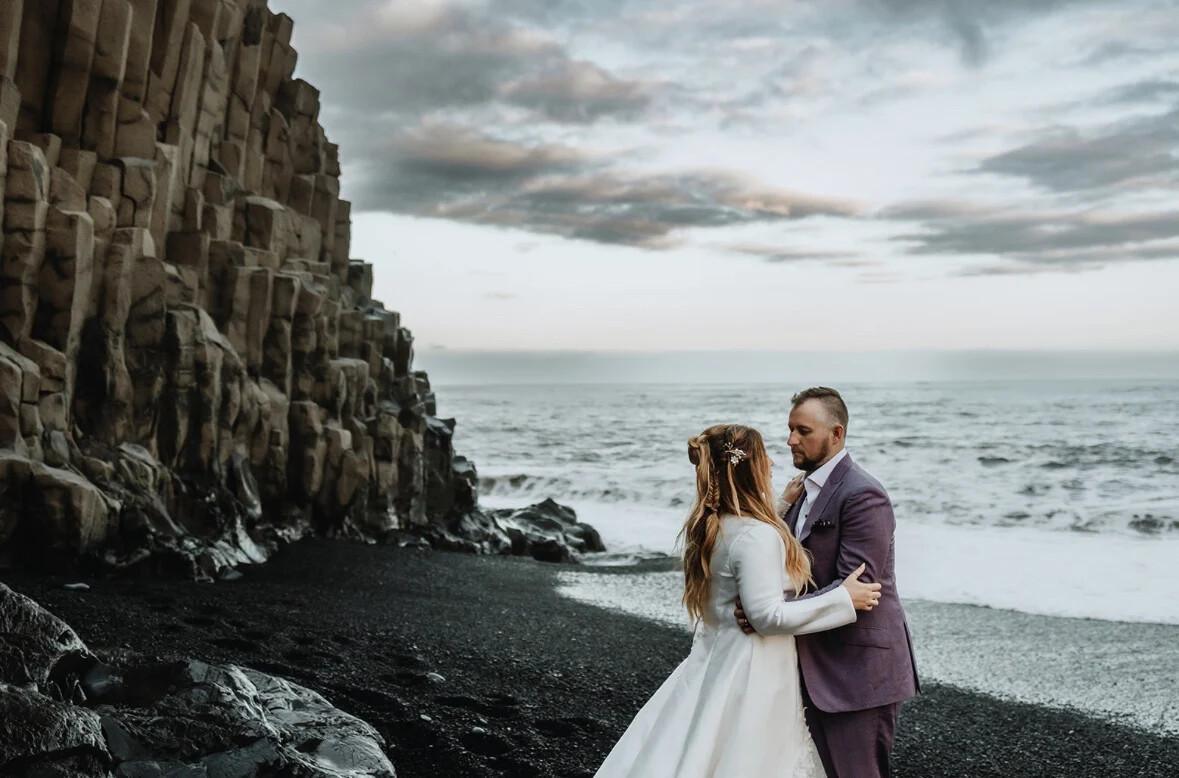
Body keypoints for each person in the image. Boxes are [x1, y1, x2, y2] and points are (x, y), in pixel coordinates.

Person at [595, 423, 882, 778]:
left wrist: (781, 505)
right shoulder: (757, 536)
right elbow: (766, 617)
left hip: (716, 663)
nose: (774, 464)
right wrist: (844, 600)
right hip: (752, 673)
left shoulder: (714, 526)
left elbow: (746, 547)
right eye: (764, 457)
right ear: (751, 468)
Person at [735, 387, 919, 778]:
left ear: (836, 434)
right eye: (789, 430)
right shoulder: (803, 491)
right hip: (812, 665)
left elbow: (859, 588)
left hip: (856, 672)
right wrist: (763, 601)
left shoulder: (863, 494)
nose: (790, 440)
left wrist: (772, 611)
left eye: (803, 431)